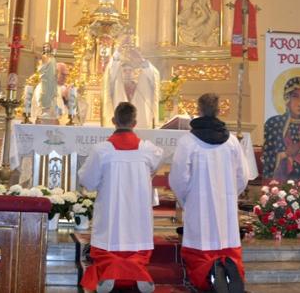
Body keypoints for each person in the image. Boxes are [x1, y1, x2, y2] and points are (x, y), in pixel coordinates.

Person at [78, 102, 162, 293]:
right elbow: (156, 164)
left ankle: (111, 271)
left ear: (113, 120)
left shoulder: (102, 150)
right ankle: (137, 272)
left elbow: (87, 181)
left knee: (107, 245)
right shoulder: (148, 149)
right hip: (138, 214)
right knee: (137, 247)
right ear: (134, 123)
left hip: (111, 213)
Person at [169, 93, 247, 293]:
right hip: (226, 208)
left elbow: (178, 178)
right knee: (226, 241)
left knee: (200, 244)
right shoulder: (231, 142)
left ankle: (207, 277)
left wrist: (187, 200)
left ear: (199, 110)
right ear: (219, 111)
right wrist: (229, 196)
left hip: (198, 205)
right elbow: (243, 177)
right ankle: (227, 276)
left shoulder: (188, 142)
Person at [262, 76, 300, 182]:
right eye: (295, 96)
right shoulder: (274, 123)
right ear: (287, 99)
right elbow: (268, 157)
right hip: (280, 184)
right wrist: (285, 154)